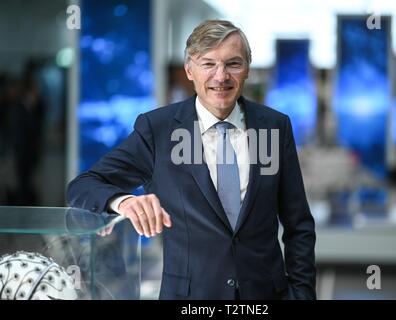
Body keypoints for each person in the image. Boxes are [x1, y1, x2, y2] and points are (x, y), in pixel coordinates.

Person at [67, 20, 316, 300]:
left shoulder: (275, 127)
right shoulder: (157, 130)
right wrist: (124, 201)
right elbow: (83, 186)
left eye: (233, 64)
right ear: (189, 70)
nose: (221, 77)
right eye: (208, 64)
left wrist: (302, 294)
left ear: (247, 68)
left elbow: (299, 225)